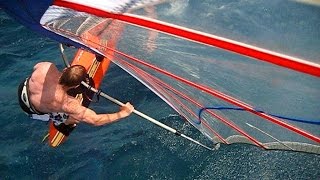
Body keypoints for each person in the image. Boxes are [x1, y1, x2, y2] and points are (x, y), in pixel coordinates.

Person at [18, 62, 134, 127]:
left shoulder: (46, 67)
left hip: (23, 89)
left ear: (65, 70)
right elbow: (95, 120)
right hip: (31, 110)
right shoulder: (69, 104)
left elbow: (36, 66)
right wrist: (123, 113)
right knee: (74, 118)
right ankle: (63, 121)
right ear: (75, 86)